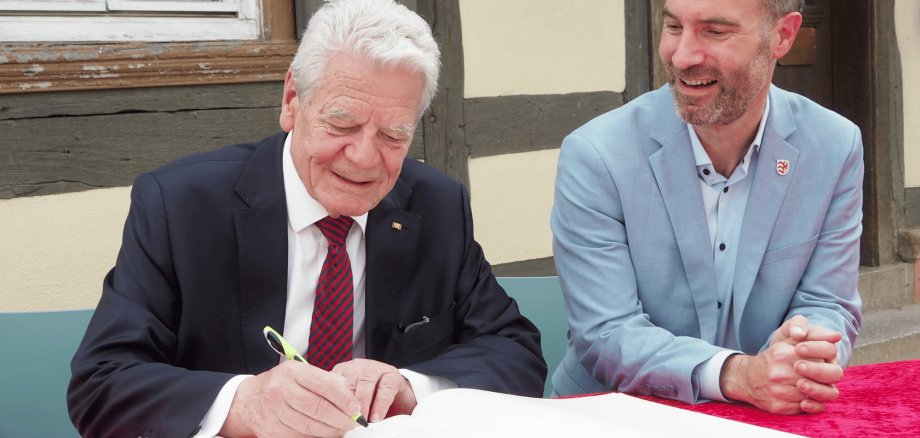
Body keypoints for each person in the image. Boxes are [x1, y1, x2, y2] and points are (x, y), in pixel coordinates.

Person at [67, 1, 545, 436]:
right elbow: (103, 383)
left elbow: (514, 350)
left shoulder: (436, 205)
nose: (364, 158)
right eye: (342, 124)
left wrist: (410, 386)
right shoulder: (181, 204)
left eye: (393, 136)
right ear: (292, 100)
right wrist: (243, 404)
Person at [550, 0, 862, 415]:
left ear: (783, 35)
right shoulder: (596, 155)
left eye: (715, 31)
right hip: (614, 416)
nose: (682, 56)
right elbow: (607, 333)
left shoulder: (835, 145)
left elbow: (829, 302)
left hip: (764, 417)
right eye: (674, 26)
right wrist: (739, 375)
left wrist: (803, 353)